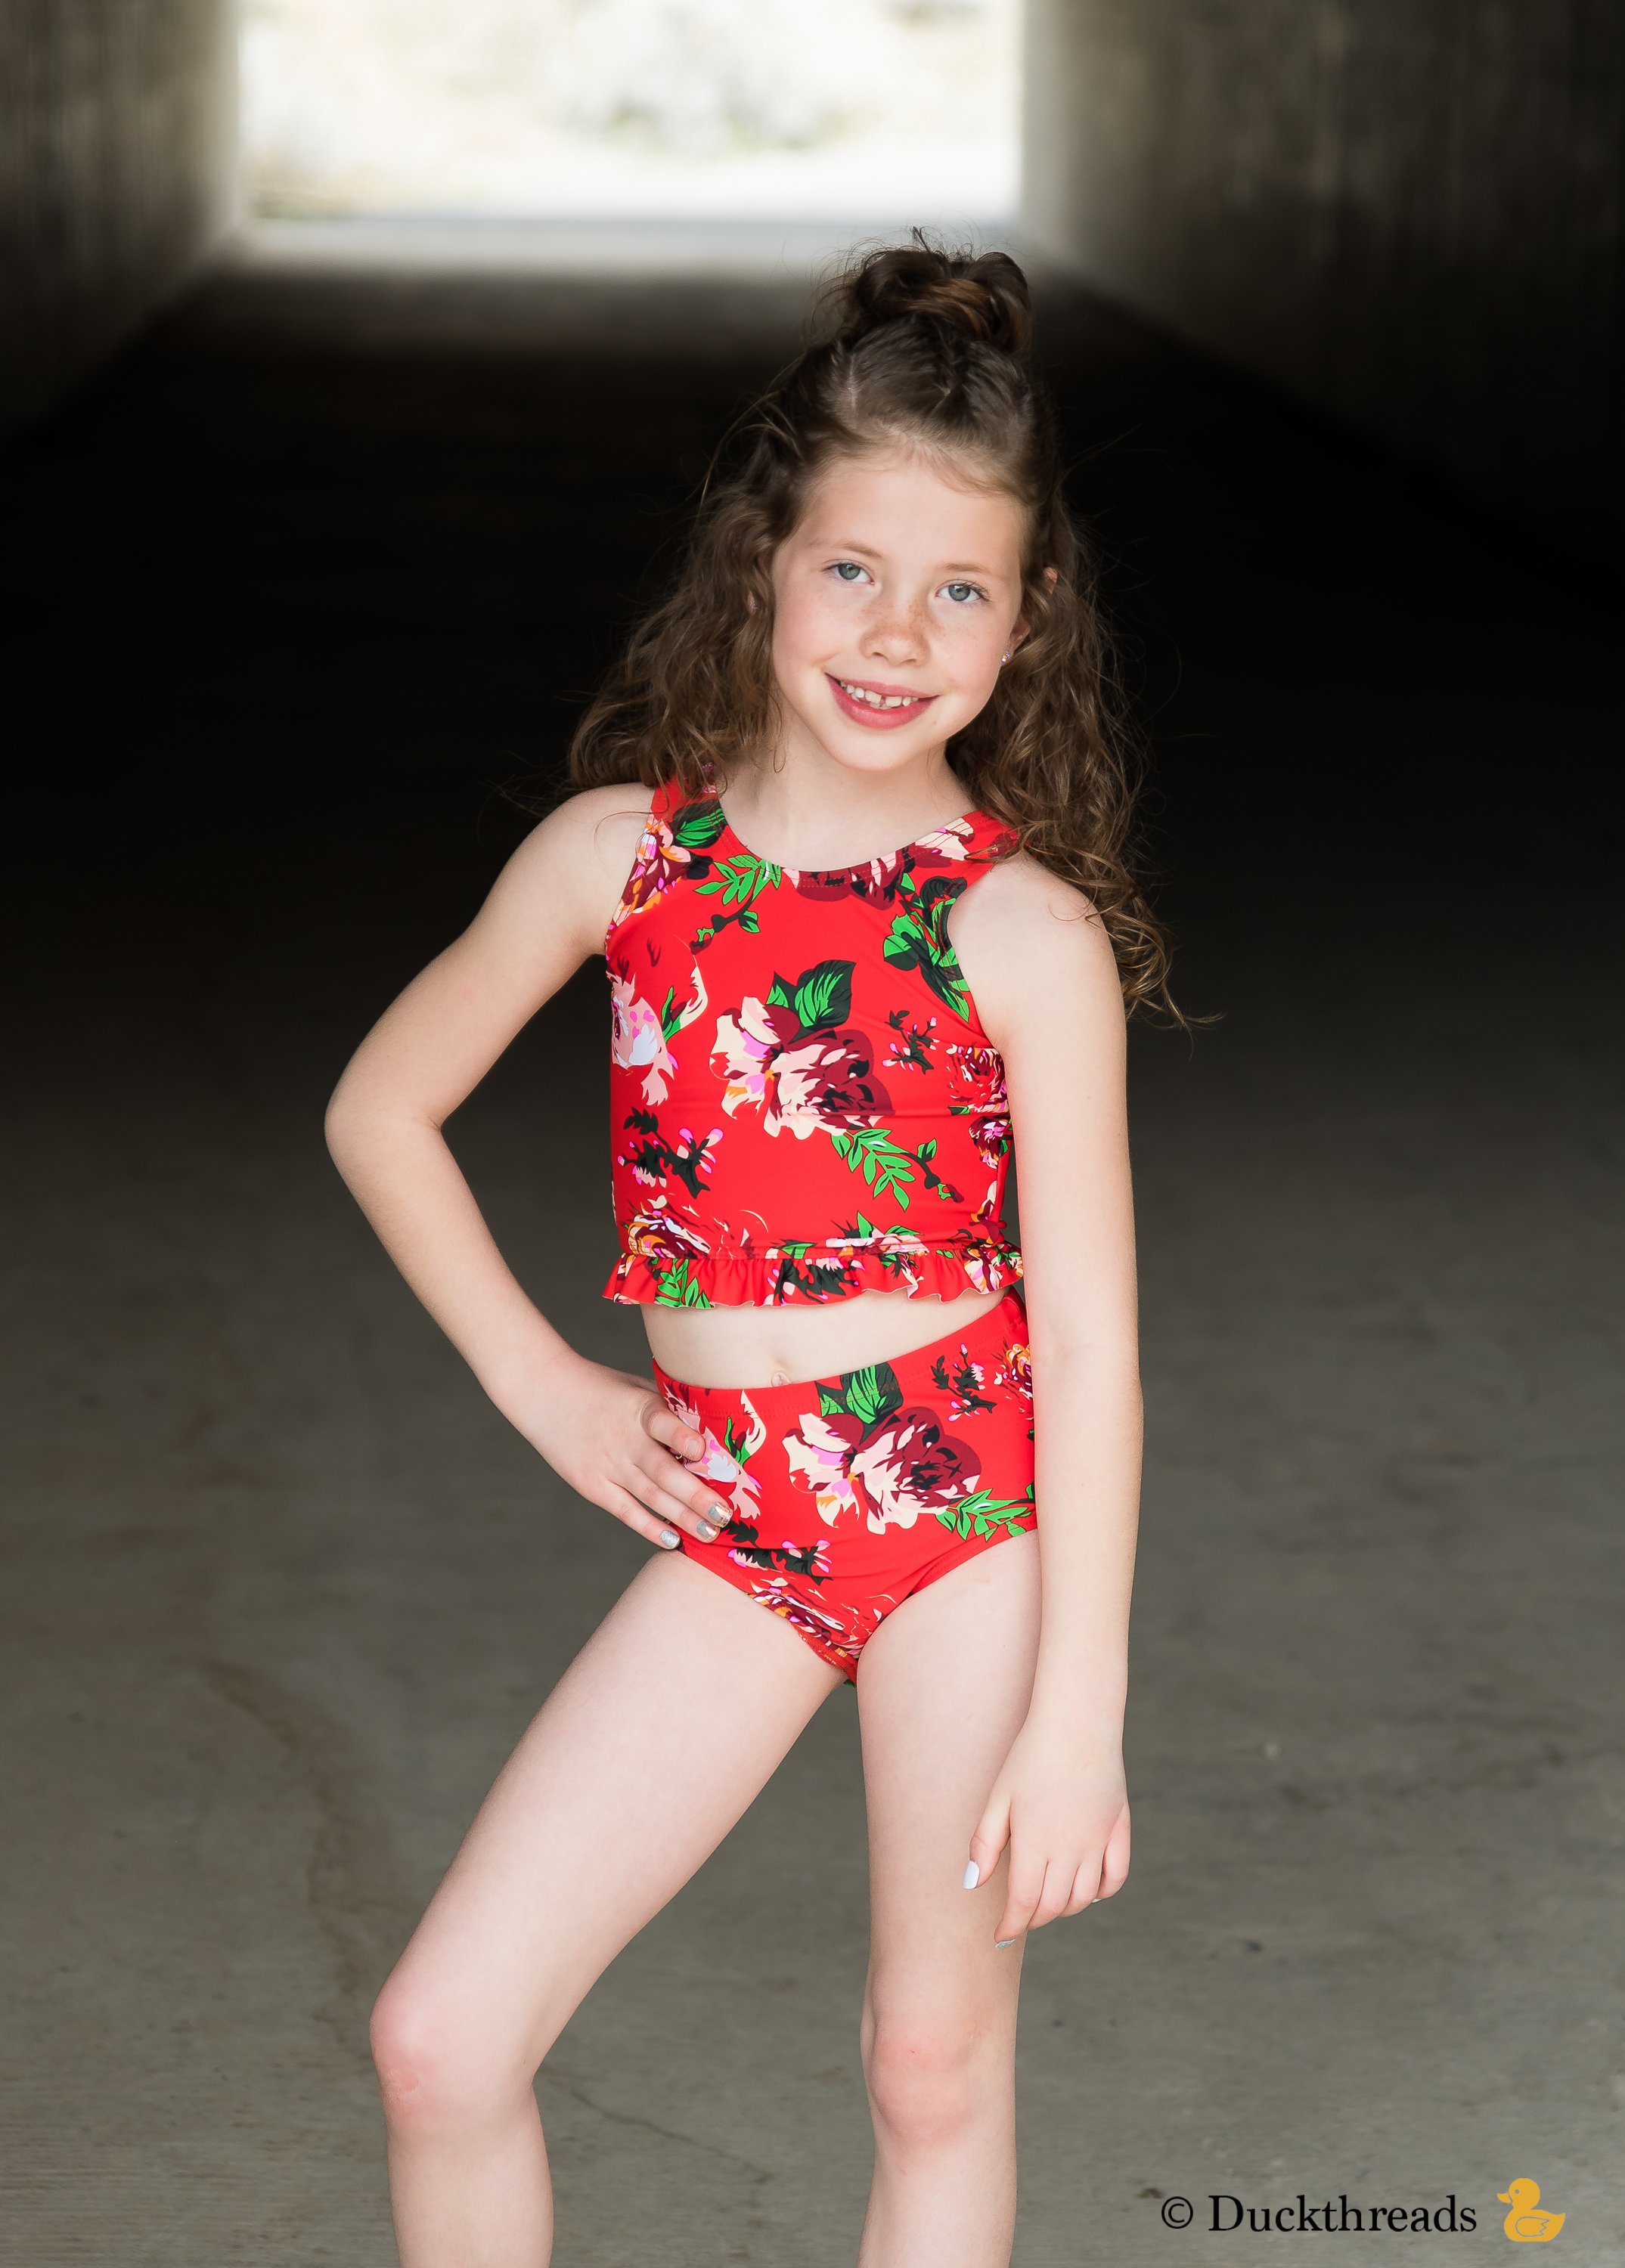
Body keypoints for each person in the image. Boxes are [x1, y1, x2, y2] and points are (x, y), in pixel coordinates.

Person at [324, 235, 1181, 2268]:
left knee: (928, 2064)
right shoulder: (624, 861)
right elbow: (380, 1110)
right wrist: (548, 1383)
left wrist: (1080, 1712)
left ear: (1026, 623)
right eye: (855, 571)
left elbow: (1098, 1352)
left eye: (959, 590)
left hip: (963, 1505)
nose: (899, 634)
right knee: (442, 2037)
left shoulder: (1018, 935)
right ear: (762, 567)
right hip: (740, 1519)